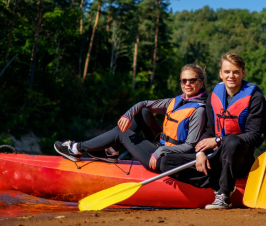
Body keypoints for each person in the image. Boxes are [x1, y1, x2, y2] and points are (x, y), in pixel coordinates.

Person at [159, 53, 266, 209]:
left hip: (240, 159)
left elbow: (254, 136)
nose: (231, 76)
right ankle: (218, 184)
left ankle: (223, 195)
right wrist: (199, 153)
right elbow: (209, 130)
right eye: (227, 71)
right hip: (215, 157)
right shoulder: (214, 95)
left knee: (231, 140)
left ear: (243, 73)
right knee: (166, 162)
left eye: (236, 72)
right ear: (220, 74)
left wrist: (218, 141)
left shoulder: (255, 97)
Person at [53, 64, 208, 172]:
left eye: (192, 80)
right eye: (184, 80)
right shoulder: (177, 101)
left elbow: (189, 147)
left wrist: (160, 151)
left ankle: (77, 148)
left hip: (169, 158)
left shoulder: (199, 111)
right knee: (142, 112)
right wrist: (128, 114)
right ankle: (112, 151)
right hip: (161, 145)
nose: (187, 84)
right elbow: (144, 103)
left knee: (122, 133)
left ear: (201, 83)